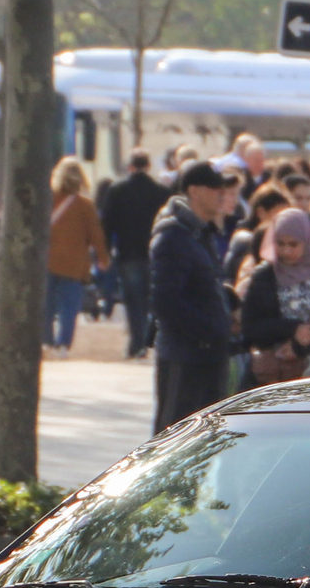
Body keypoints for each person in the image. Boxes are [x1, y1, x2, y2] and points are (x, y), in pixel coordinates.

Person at [150, 161, 236, 430]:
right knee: (173, 438)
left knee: (204, 440)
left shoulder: (201, 234)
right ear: (194, 191)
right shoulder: (174, 236)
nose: (222, 194)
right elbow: (166, 302)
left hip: (208, 357)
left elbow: (204, 287)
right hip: (183, 357)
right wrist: (210, 331)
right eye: (215, 188)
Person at [238, 207, 310, 387]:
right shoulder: (265, 276)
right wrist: (292, 329)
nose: (286, 251)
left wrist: (306, 341)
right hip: (272, 378)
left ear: (307, 242)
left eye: (293, 245)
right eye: (280, 244)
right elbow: (250, 327)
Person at [100, 149, 164, 358]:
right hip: (155, 253)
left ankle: (137, 343)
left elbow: (107, 224)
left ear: (130, 166)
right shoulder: (161, 192)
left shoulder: (117, 190)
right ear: (148, 166)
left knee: (133, 301)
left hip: (128, 253)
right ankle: (149, 340)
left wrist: (105, 251)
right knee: (152, 301)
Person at [44, 156, 109, 354]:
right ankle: (64, 344)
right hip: (74, 263)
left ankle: (46, 341)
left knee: (45, 306)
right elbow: (96, 235)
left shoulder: (48, 200)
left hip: (47, 261)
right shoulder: (85, 205)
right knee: (69, 308)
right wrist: (103, 259)